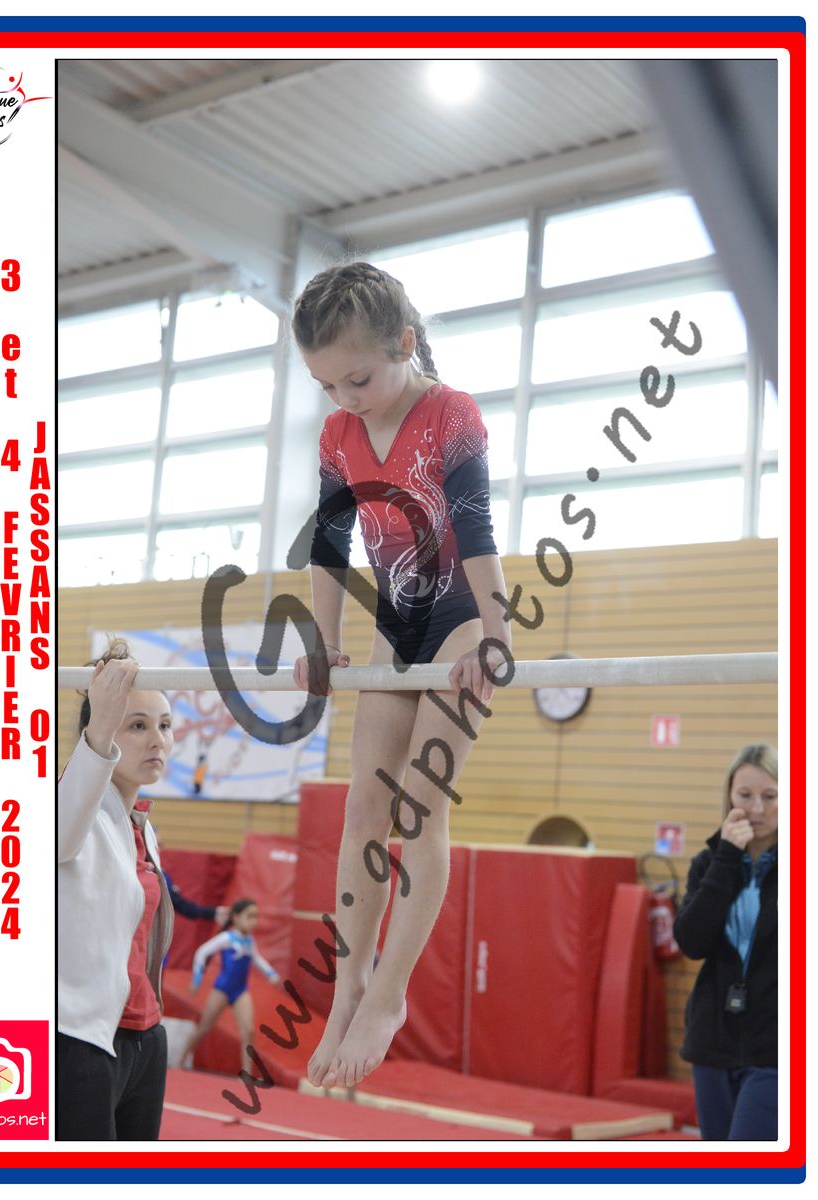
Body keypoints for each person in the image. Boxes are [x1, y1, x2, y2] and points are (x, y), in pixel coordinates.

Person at [290, 261, 511, 1089]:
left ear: (405, 343)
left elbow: (476, 530)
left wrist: (495, 637)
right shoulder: (337, 436)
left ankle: (388, 993)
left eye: (358, 379)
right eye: (326, 385)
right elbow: (329, 546)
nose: (344, 398)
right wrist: (323, 640)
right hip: (396, 626)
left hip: (463, 617)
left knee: (419, 808)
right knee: (363, 811)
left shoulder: (452, 414)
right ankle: (348, 985)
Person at [57, 640, 175, 1140]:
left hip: (145, 1035)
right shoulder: (68, 804)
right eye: (138, 726)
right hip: (78, 1039)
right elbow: (59, 836)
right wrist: (100, 727)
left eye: (165, 725)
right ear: (103, 729)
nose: (157, 740)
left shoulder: (142, 828)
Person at [674, 743, 778, 1140]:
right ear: (729, 797)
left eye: (770, 796)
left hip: (776, 1047)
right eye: (745, 795)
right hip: (713, 1041)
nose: (757, 809)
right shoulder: (710, 862)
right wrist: (727, 857)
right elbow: (692, 942)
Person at [178, 899, 282, 1072]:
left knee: (248, 1031)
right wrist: (197, 979)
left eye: (256, 917)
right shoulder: (226, 938)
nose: (254, 921)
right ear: (236, 917)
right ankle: (181, 1058)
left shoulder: (249, 940)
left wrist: (271, 973)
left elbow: (256, 958)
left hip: (240, 990)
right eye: (249, 917)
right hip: (222, 989)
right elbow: (202, 952)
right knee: (204, 1027)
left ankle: (247, 1072)